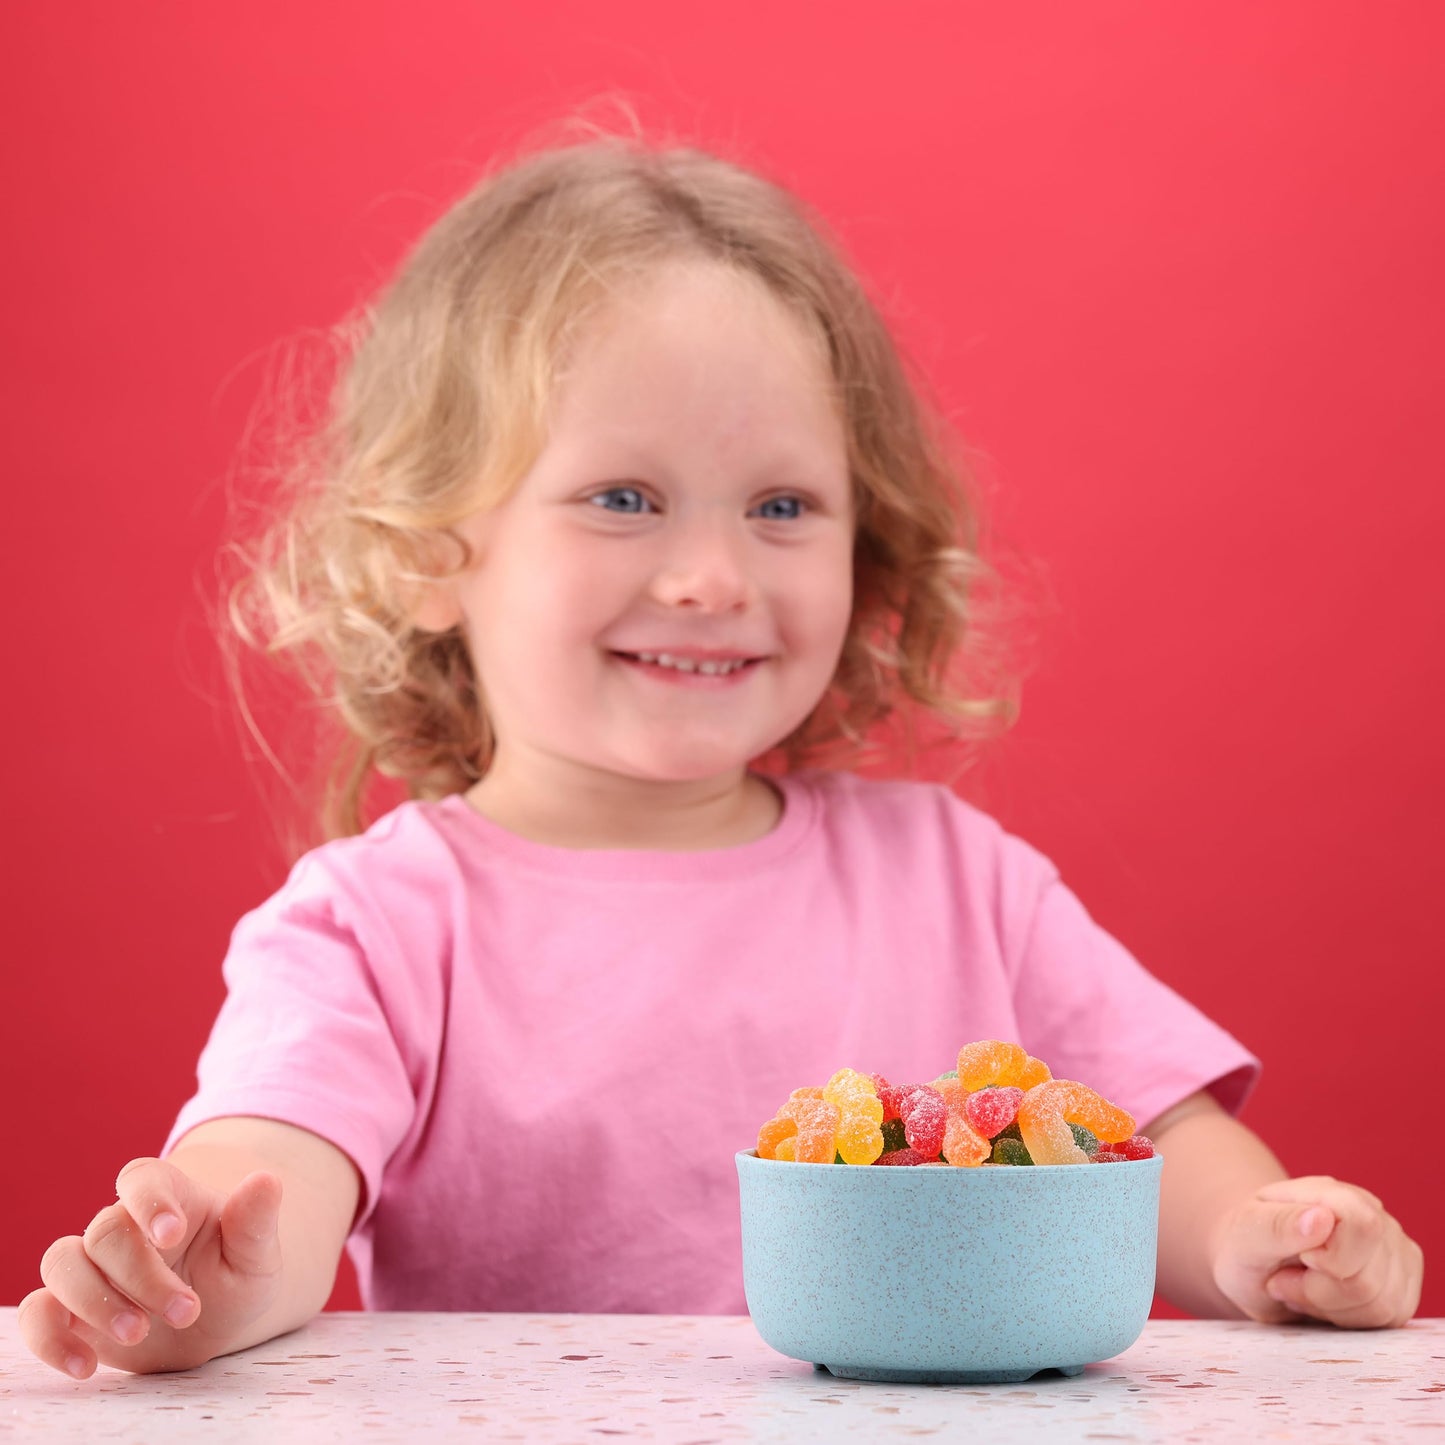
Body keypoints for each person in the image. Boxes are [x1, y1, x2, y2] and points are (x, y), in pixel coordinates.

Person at [21, 130, 1422, 1381]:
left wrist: (1267, 1237)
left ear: (865, 546)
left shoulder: (955, 876)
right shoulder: (376, 925)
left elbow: (1158, 1145)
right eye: (623, 497)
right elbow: (272, 1171)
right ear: (430, 554)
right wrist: (200, 1269)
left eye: (780, 504)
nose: (707, 576)